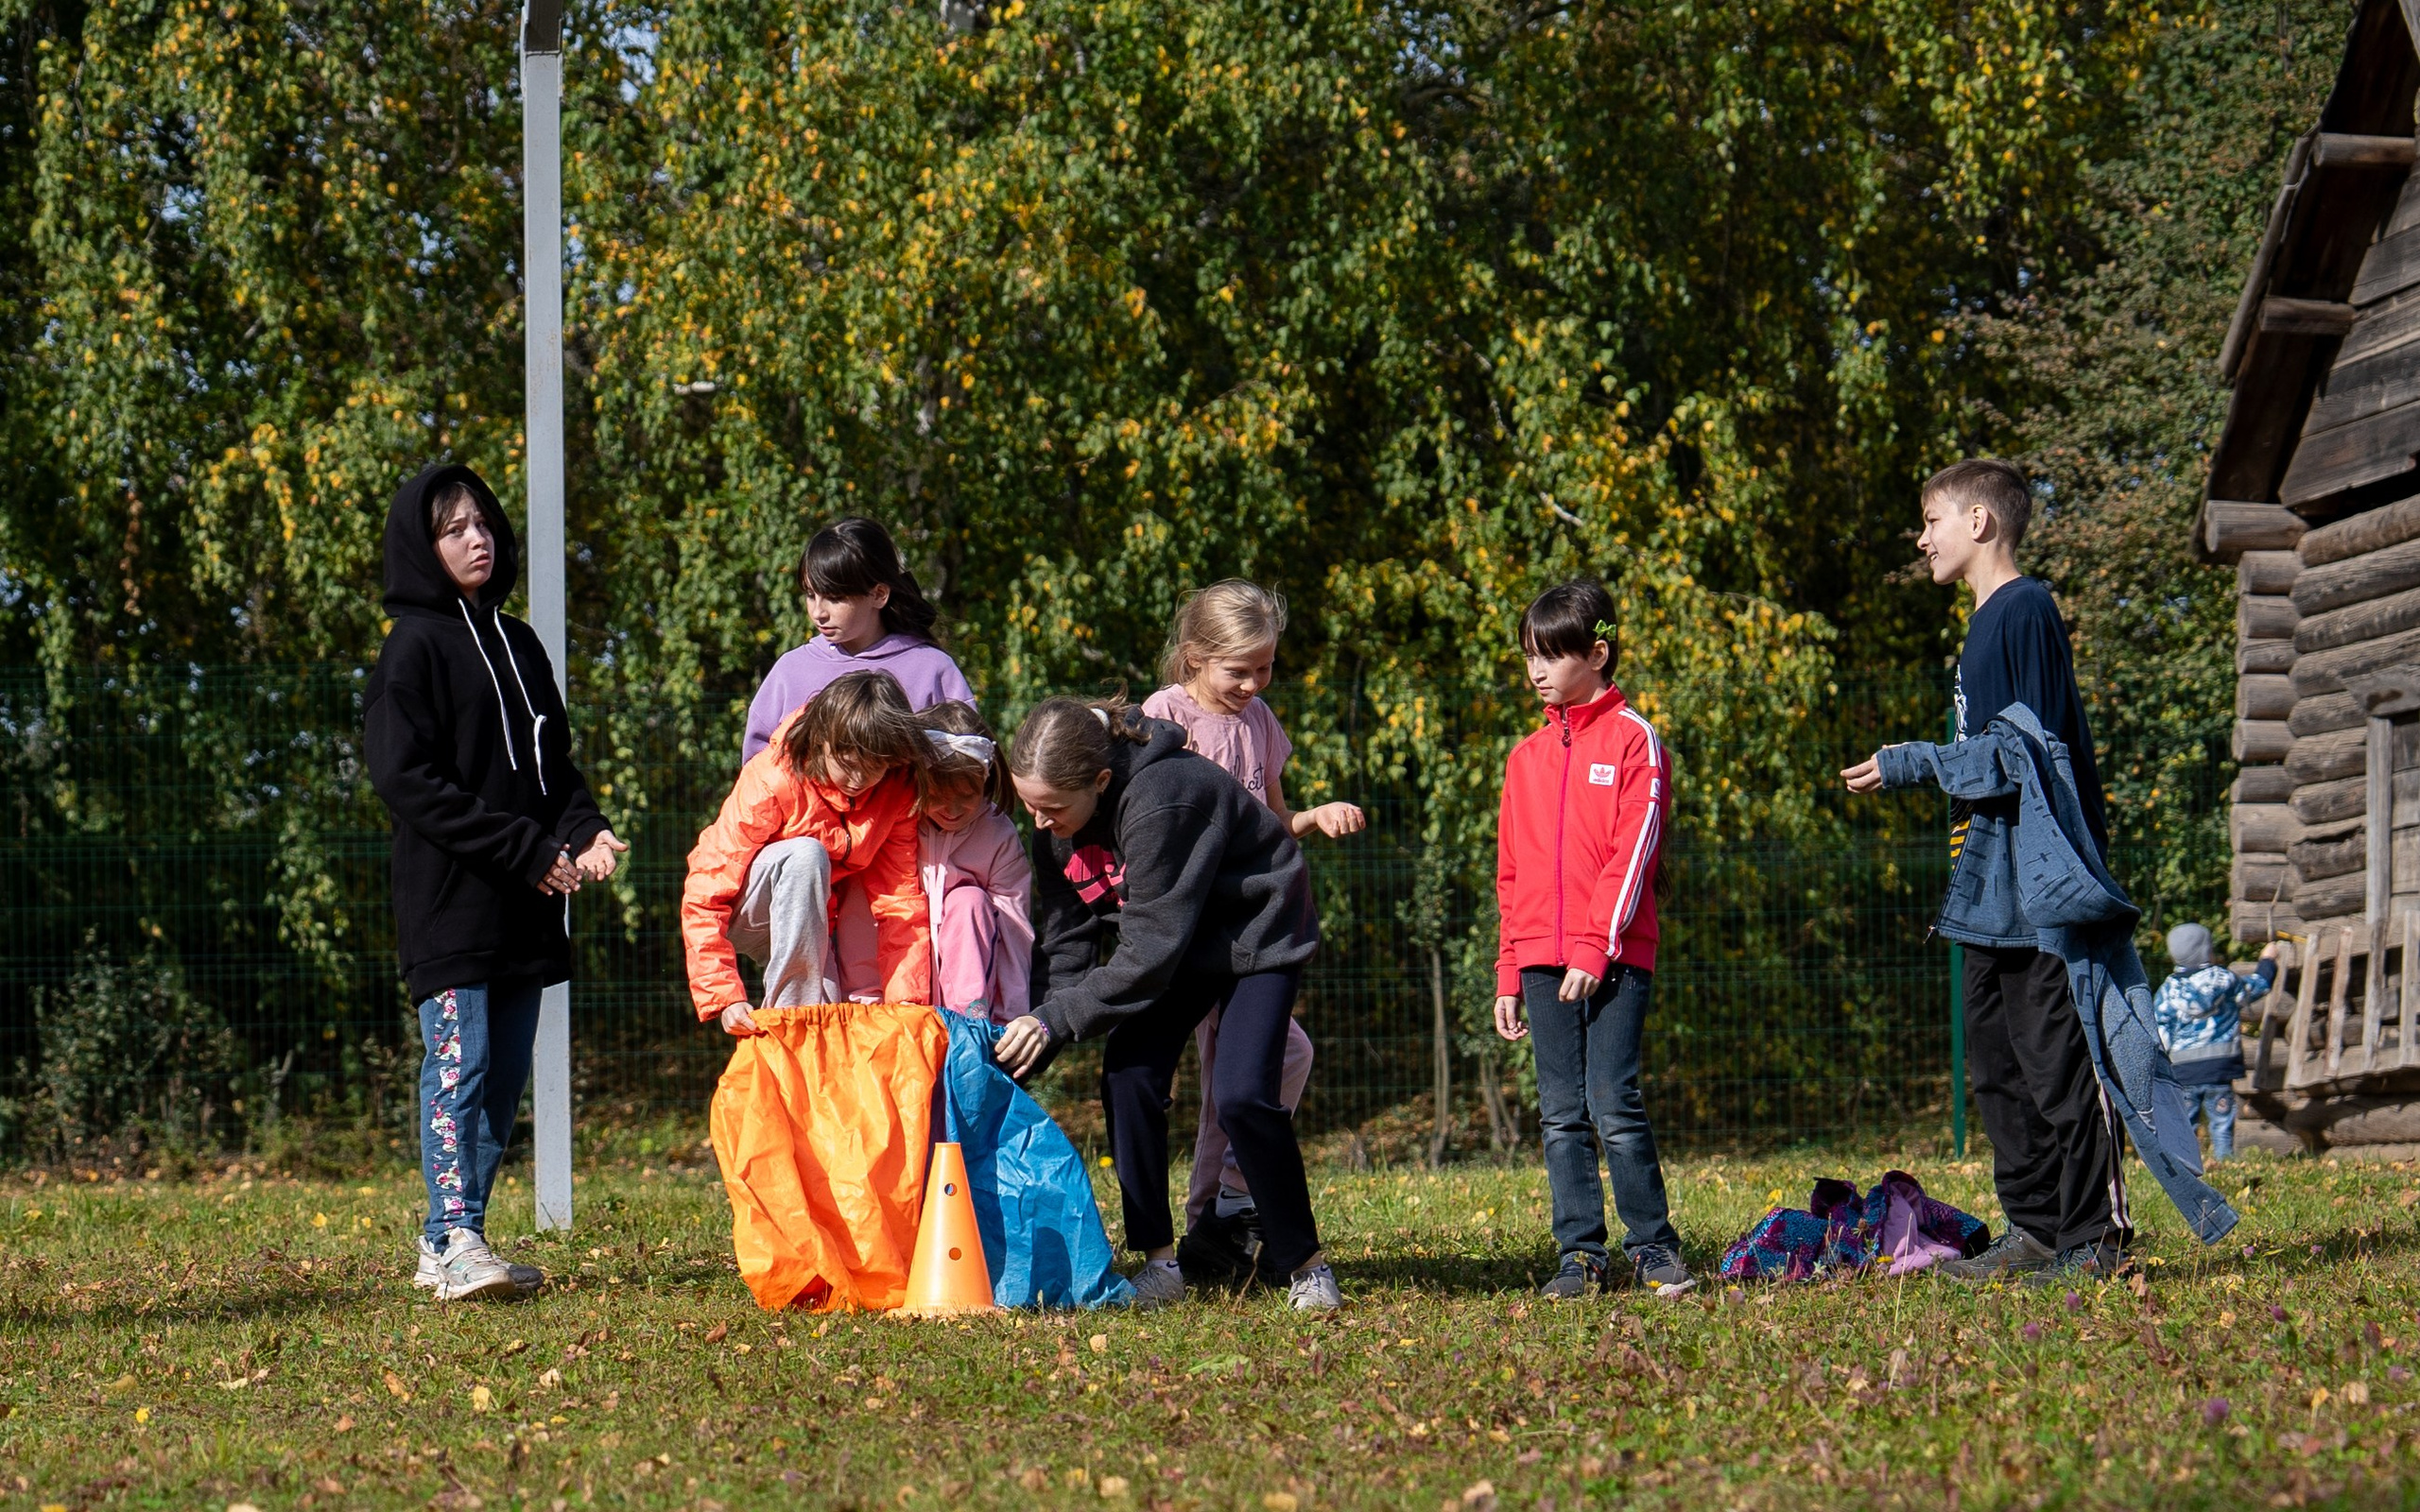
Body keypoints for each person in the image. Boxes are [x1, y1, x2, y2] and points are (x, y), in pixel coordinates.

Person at [1843, 456, 2131, 1284]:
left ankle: (2095, 1239)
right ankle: (2036, 1229)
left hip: (2039, 883)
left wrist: (1914, 763)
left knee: (2057, 1062)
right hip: (1983, 887)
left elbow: (2025, 756)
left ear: (1980, 522)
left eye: (1932, 520)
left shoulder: (2024, 609)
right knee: (2000, 1069)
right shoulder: (1976, 631)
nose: (1922, 538)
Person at [365, 463, 625, 1302]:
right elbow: (407, 779)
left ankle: (449, 1240)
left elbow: (554, 769)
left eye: (483, 524)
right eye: (453, 529)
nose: (477, 539)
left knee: (501, 1080)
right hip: (450, 905)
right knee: (459, 1068)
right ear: (422, 544)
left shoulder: (520, 644)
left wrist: (586, 830)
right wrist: (522, 846)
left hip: (527, 904)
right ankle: (457, 1239)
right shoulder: (411, 647)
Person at [993, 697, 1339, 1311]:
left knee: (1241, 1095)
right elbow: (1069, 938)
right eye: (1028, 805)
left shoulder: (1165, 796)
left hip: (1255, 932)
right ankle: (1160, 1264)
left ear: (1101, 782)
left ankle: (1306, 1266)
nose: (1039, 823)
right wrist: (1039, 1035)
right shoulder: (1057, 824)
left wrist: (1054, 1021)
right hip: (1181, 941)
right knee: (1129, 1072)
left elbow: (1149, 953)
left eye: (1051, 808)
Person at [1140, 580, 1363, 1279]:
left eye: (1264, 668)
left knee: (1274, 1062)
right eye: (1239, 670)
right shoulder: (1163, 717)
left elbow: (1272, 820)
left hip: (1253, 929)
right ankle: (1207, 1224)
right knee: (1219, 1082)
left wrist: (1314, 817)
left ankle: (1226, 1207)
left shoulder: (1260, 720)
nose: (1253, 683)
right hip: (1188, 930)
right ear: (1195, 656)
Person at [1492, 579, 1694, 1301]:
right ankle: (1579, 1254)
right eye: (1528, 656)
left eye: (1549, 655)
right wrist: (1510, 970)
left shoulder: (1636, 739)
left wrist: (1592, 948)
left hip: (1614, 957)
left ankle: (1653, 1247)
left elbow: (1632, 853)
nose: (1536, 671)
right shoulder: (1524, 759)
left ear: (1598, 654)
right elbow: (1510, 873)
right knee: (1559, 1112)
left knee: (1613, 1100)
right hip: (1543, 962)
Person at [684, 671, 933, 1032]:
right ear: (820, 742)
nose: (859, 780)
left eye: (875, 767)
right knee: (806, 855)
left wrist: (907, 1006)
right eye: (848, 764)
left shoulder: (896, 791)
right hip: (748, 908)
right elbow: (706, 890)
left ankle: (811, 1034)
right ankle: (790, 1021)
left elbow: (899, 900)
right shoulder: (774, 777)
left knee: (829, 1016)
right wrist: (725, 995)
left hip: (813, 919)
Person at [739, 517, 973, 765]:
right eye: (810, 595)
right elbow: (758, 779)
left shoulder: (932, 669)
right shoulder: (790, 671)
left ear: (879, 594)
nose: (818, 612)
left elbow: (972, 774)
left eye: (835, 597)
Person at [915, 701, 1034, 1023]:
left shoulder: (998, 835)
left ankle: (971, 1026)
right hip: (902, 1008)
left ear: (986, 779)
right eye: (939, 794)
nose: (952, 809)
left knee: (968, 900)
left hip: (975, 1010)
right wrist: (865, 1003)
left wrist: (1011, 1018)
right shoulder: (897, 825)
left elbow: (1014, 931)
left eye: (967, 795)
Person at [2154, 924, 2278, 1163]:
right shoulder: (2224, 979)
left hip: (2183, 1071)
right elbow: (2256, 987)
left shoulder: (2167, 990)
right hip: (2219, 1069)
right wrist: (2268, 961)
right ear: (2205, 951)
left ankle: (2185, 1168)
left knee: (2185, 1124)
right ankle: (2225, 1163)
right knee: (2221, 1122)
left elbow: (2161, 1033)